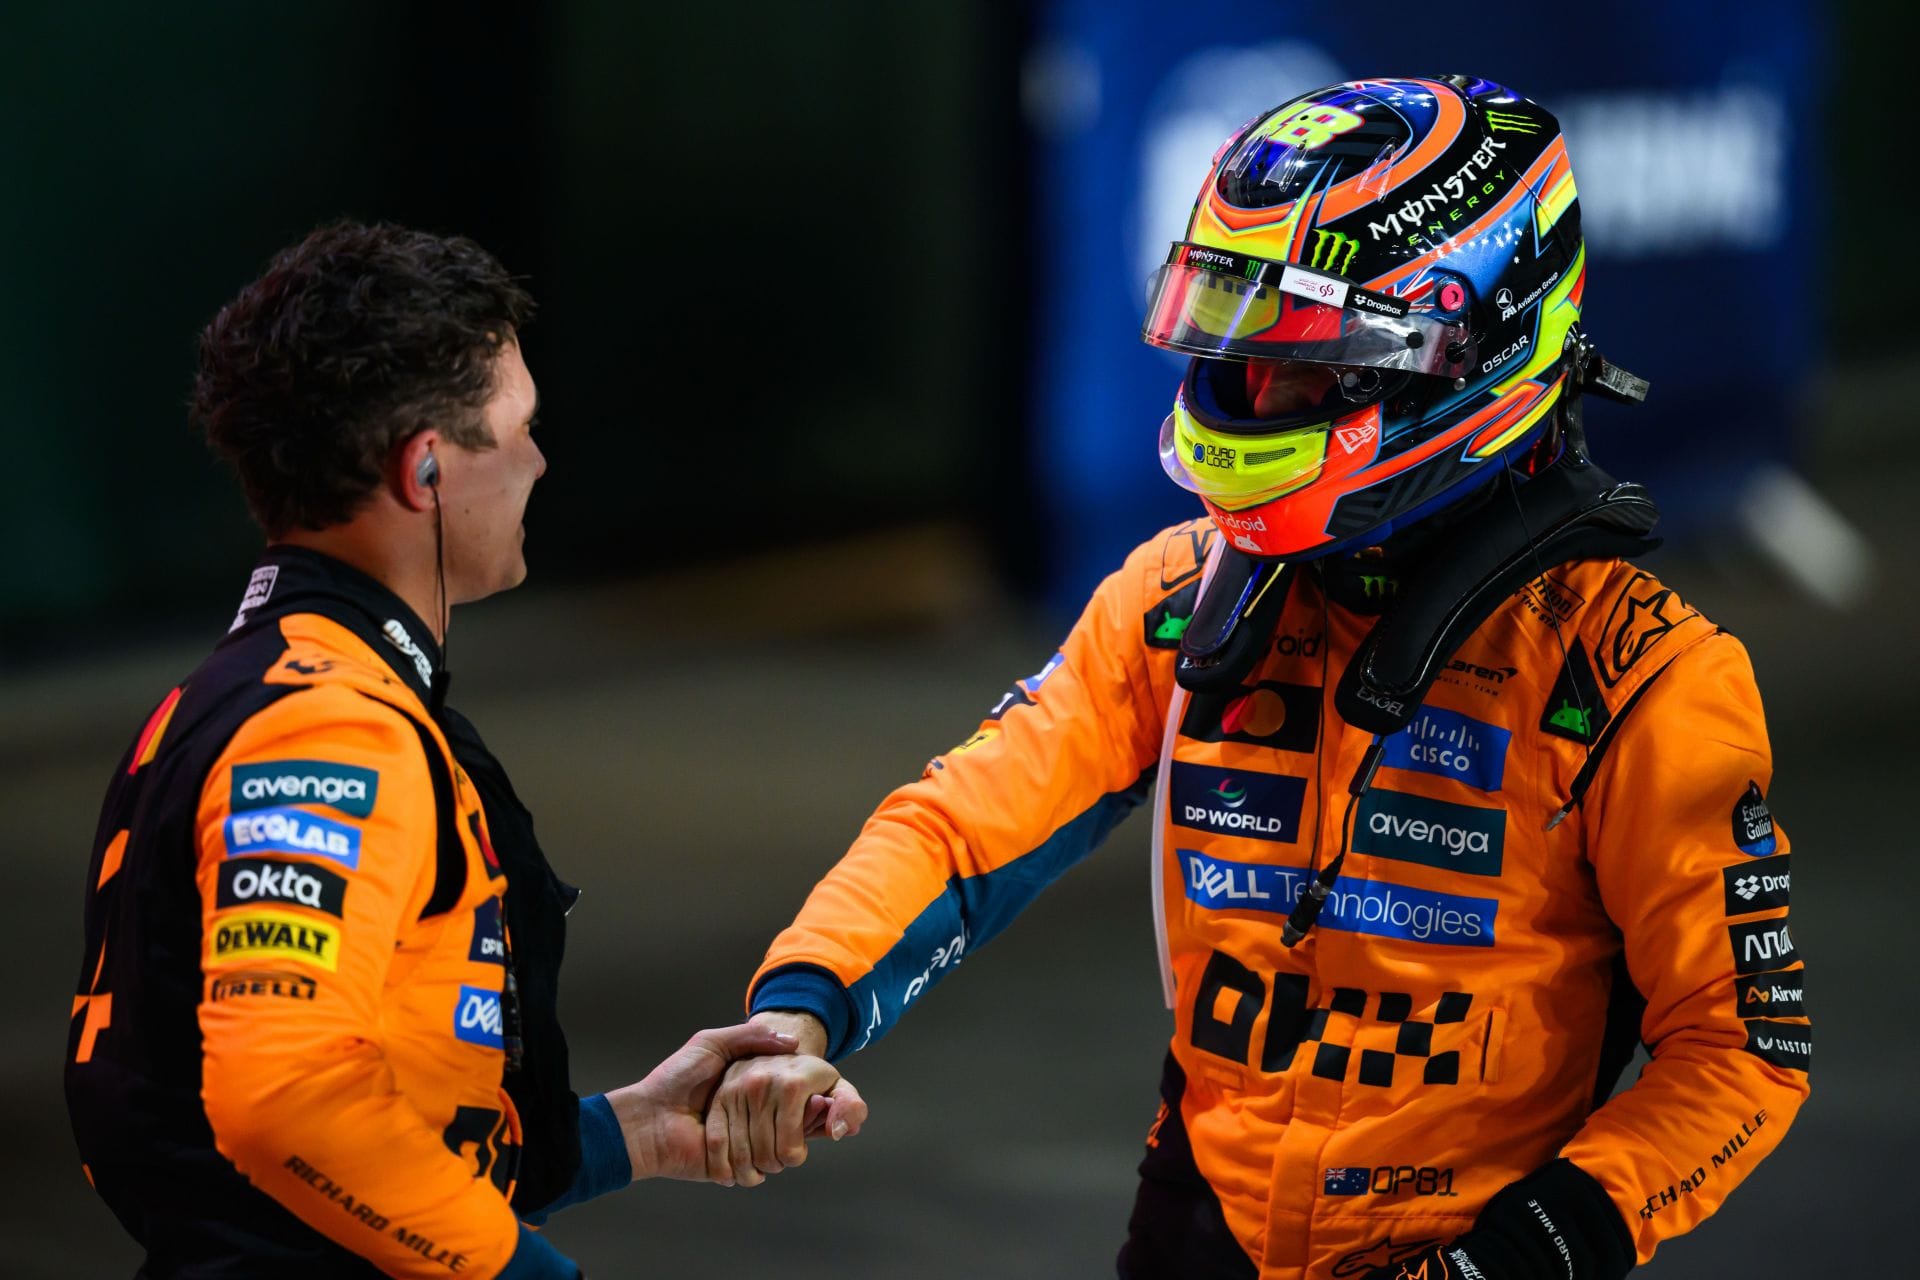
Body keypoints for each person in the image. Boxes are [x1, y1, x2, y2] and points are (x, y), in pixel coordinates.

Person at [716, 77, 1809, 1279]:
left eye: (1311, 363)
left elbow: (1742, 1050)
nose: (1261, 395)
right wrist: (800, 1004)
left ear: (1471, 350)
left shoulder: (1647, 676)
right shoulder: (1177, 594)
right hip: (1201, 1231)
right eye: (1243, 353)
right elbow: (962, 824)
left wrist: (1541, 1244)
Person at [64, 221, 860, 1278]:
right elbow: (285, 1099)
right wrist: (518, 1270)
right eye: (517, 424)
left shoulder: (245, 690)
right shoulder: (328, 722)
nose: (538, 458)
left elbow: (367, 1091)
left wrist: (633, 1128)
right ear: (427, 464)